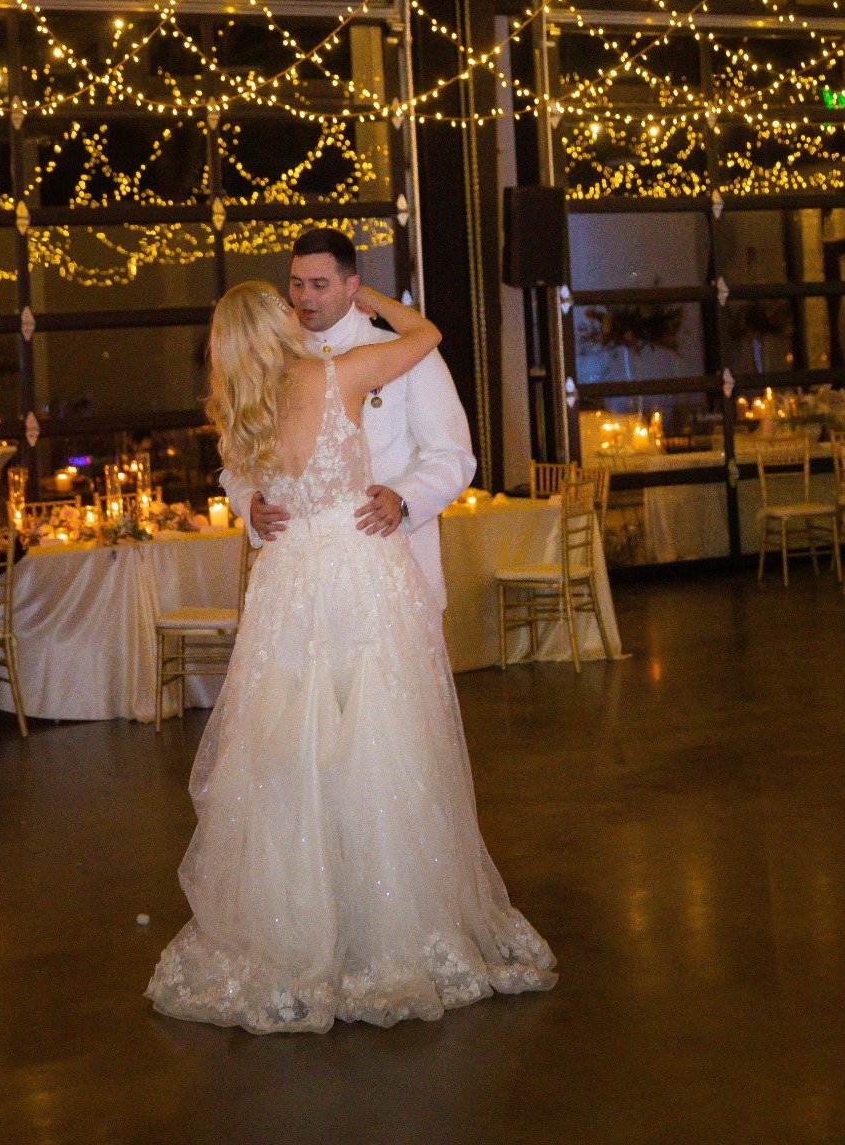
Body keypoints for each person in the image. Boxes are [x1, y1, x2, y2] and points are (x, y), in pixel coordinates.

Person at [147, 280, 556, 1033]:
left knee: (289, 758)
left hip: (289, 584)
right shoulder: (338, 373)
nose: (301, 300)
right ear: (276, 321)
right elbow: (429, 334)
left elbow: (251, 474)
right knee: (376, 746)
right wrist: (374, 300)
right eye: (289, 293)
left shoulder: (240, 405)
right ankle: (384, 926)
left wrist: (264, 507)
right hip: (358, 575)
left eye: (313, 284)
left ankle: (299, 927)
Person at [220, 228, 475, 612]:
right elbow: (237, 462)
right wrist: (248, 503)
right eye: (297, 284)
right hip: (301, 585)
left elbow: (454, 455)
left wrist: (405, 500)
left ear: (350, 285)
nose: (305, 297)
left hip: (393, 564)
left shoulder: (397, 351)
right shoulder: (271, 362)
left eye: (320, 284)